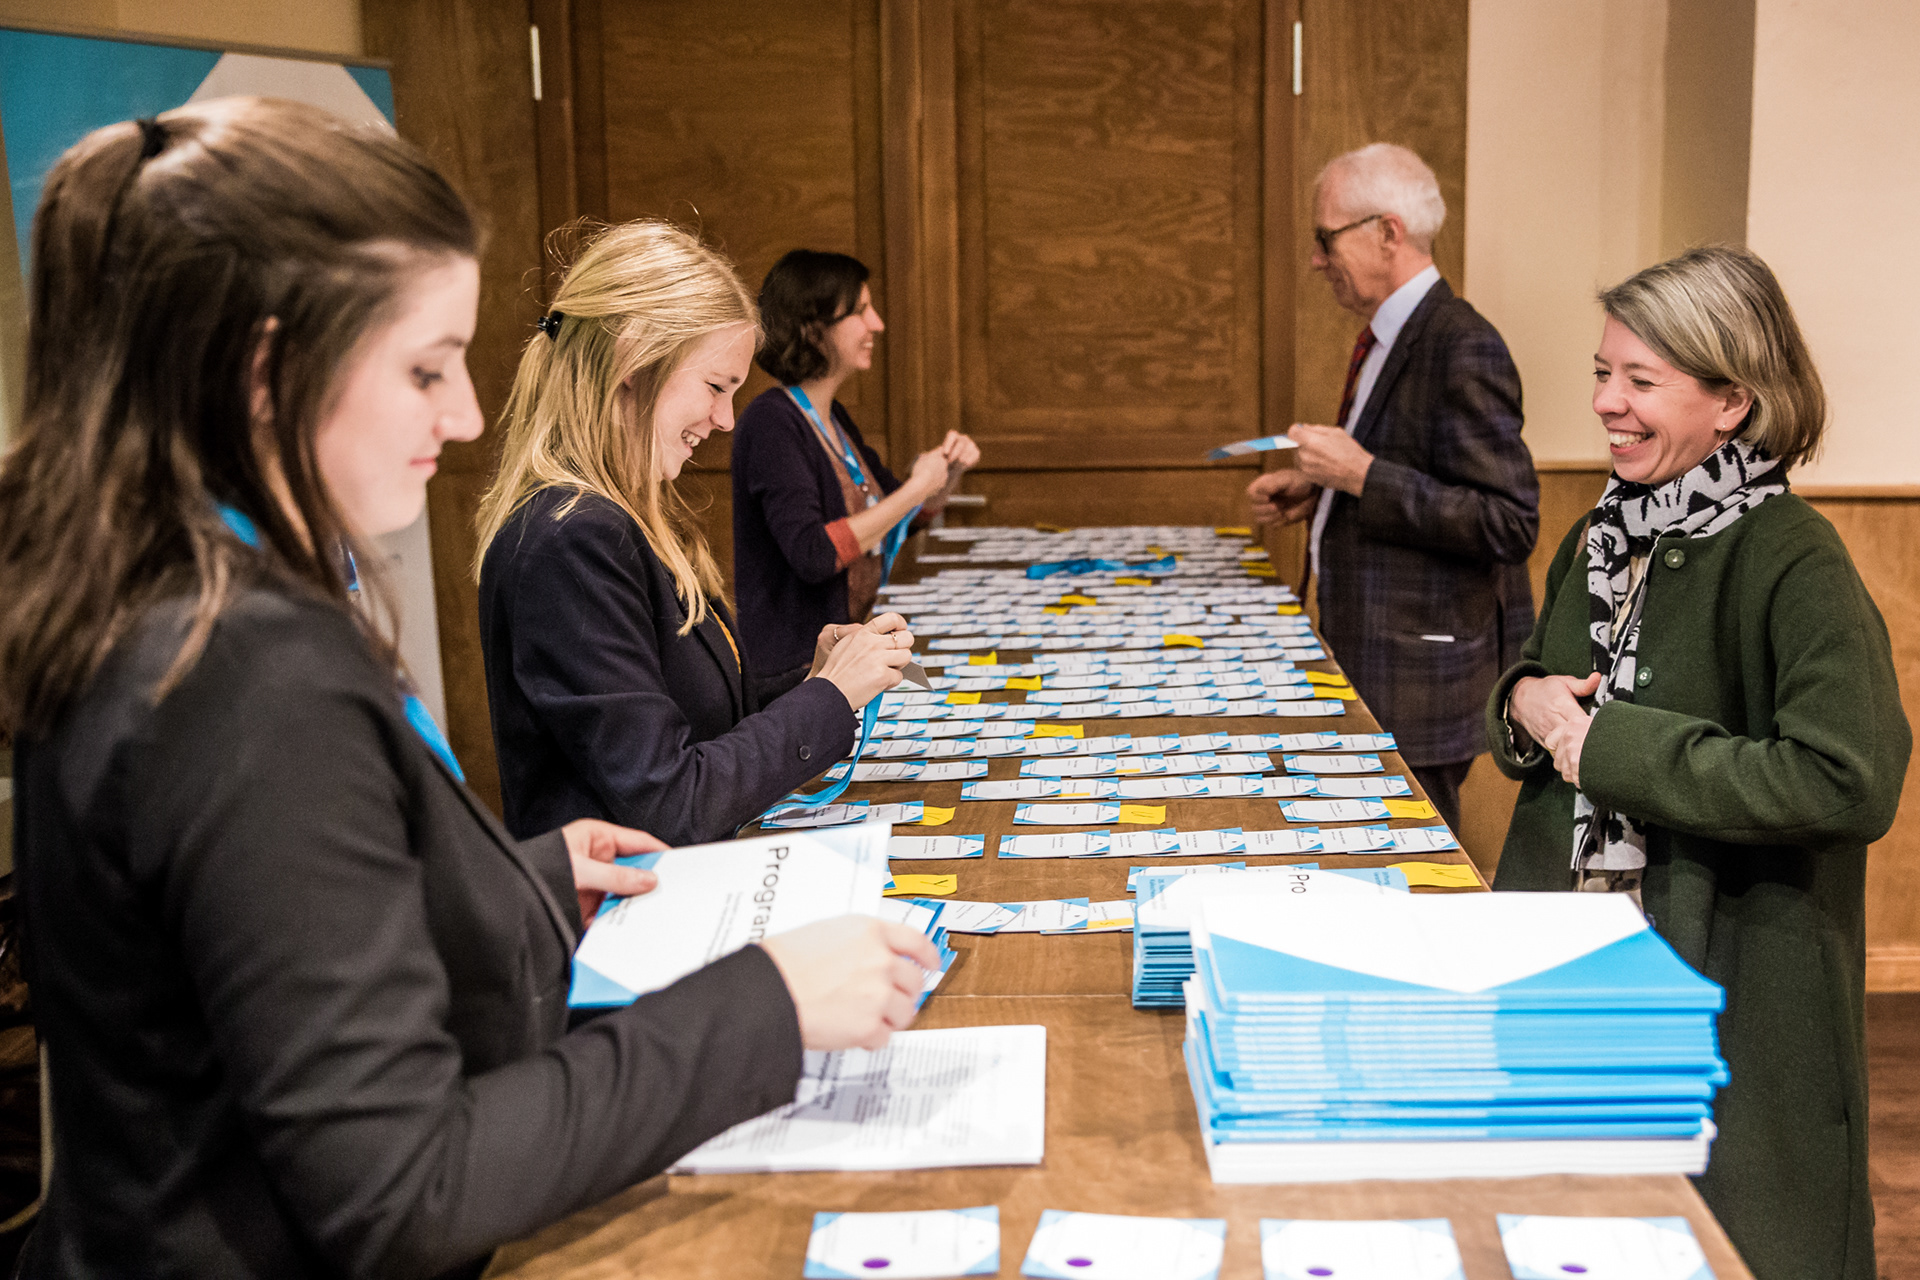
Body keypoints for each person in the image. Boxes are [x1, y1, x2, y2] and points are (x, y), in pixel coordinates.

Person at [0, 99, 937, 1279]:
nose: (468, 413)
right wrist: (769, 1006)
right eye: (425, 367)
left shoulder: (172, 598)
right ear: (268, 368)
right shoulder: (243, 673)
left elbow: (260, 926)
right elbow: (404, 1185)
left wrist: (524, 877)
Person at [1488, 246, 1907, 1280]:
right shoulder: (1601, 534)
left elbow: (1850, 779)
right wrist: (1523, 698)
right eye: (1602, 373)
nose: (1606, 403)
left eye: (1641, 379)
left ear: (1732, 402)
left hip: (1725, 986)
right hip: (1574, 962)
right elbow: (1553, 683)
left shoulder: (1796, 557)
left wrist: (1615, 748)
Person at [475, 227, 917, 845]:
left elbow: (696, 722)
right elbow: (669, 803)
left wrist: (813, 680)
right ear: (633, 361)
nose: (726, 420)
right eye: (715, 387)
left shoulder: (622, 514)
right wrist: (830, 695)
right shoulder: (570, 538)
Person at [1247, 143, 1537, 830]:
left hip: (1419, 680)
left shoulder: (1461, 342)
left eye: (1326, 239)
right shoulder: (1389, 335)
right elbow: (1419, 474)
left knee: (1410, 871)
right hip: (1374, 659)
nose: (1316, 260)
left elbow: (1508, 521)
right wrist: (1322, 490)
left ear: (1387, 232)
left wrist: (1361, 475)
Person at [732, 249, 979, 705]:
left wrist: (946, 475)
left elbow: (902, 518)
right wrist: (917, 487)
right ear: (813, 328)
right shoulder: (771, 422)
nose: (877, 324)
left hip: (845, 661)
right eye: (861, 311)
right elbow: (814, 554)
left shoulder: (834, 417)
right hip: (795, 676)